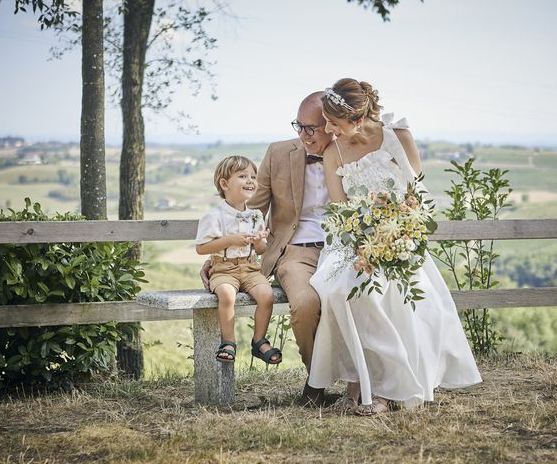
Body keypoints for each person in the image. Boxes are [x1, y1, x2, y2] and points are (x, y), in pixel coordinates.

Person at [308, 78, 482, 416]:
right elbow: (341, 209)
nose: (327, 129)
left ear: (357, 119)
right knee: (342, 289)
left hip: (400, 238)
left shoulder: (397, 137)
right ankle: (359, 378)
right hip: (352, 243)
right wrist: (363, 246)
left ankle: (387, 389)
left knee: (384, 292)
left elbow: (416, 196)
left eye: (333, 122)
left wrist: (399, 236)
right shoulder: (333, 153)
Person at [202, 92, 335, 405]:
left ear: (332, 125)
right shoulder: (278, 153)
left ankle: (364, 382)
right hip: (296, 252)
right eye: (298, 126)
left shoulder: (348, 151)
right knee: (304, 303)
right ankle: (316, 384)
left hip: (343, 250)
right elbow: (250, 213)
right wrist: (219, 258)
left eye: (311, 128)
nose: (303, 135)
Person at [195, 155, 282, 365]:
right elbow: (201, 248)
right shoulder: (214, 216)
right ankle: (228, 342)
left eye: (253, 176)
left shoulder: (256, 216)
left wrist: (260, 241)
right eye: (243, 176)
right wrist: (229, 240)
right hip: (223, 270)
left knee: (266, 294)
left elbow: (261, 249)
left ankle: (259, 341)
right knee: (226, 294)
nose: (251, 180)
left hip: (250, 268)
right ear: (224, 184)